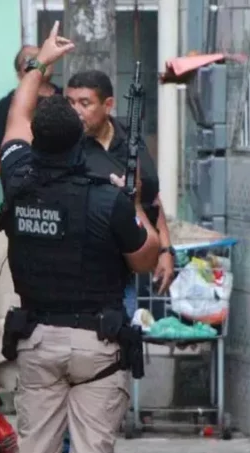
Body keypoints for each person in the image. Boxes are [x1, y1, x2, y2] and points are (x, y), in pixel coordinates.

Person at [0, 22, 159, 453]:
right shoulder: (105, 193)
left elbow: (16, 120)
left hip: (37, 339)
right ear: (81, 140)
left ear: (37, 140)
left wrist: (39, 65)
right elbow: (145, 259)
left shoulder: (16, 178)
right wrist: (133, 203)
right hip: (97, 344)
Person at [66, 69, 176, 306]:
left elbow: (151, 196)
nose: (76, 111)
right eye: (71, 102)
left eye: (85, 103)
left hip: (138, 260)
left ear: (108, 105)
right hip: (95, 274)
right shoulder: (69, 148)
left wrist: (166, 249)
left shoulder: (130, 136)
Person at [0, 45, 63, 177]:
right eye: (31, 59)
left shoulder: (68, 99)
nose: (39, 61)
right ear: (19, 75)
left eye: (43, 56)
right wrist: (23, 175)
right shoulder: (8, 104)